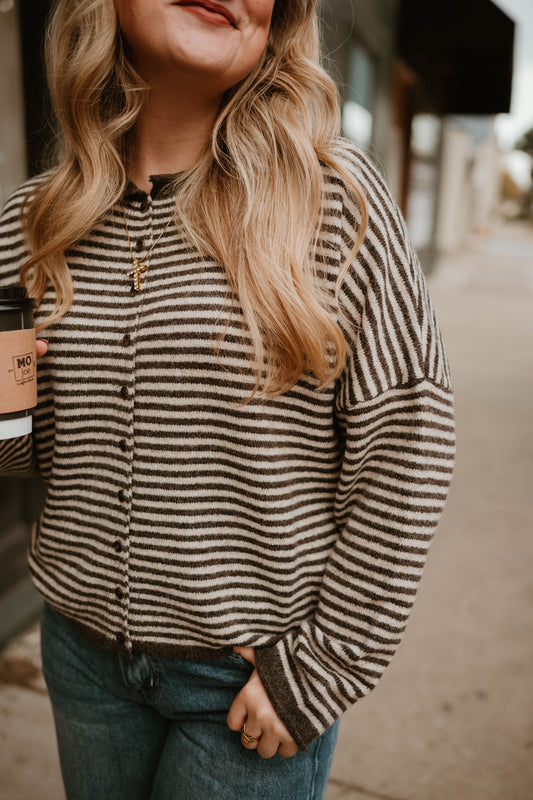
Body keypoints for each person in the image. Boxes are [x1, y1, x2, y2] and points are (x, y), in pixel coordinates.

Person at [0, 0, 456, 798]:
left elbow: (409, 440)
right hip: (81, 657)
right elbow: (19, 456)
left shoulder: (334, 203)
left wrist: (323, 666)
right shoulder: (31, 220)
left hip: (247, 682)